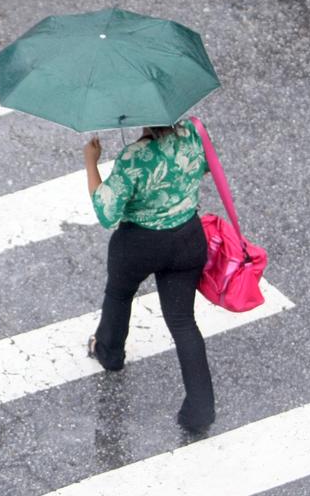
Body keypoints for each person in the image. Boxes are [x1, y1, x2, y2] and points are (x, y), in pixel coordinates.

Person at [82, 119, 215, 434]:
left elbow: (106, 212)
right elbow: (205, 169)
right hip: (187, 238)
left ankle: (110, 352)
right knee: (183, 323)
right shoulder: (195, 134)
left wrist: (91, 163)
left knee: (119, 293)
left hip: (139, 244)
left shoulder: (134, 156)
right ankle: (201, 409)